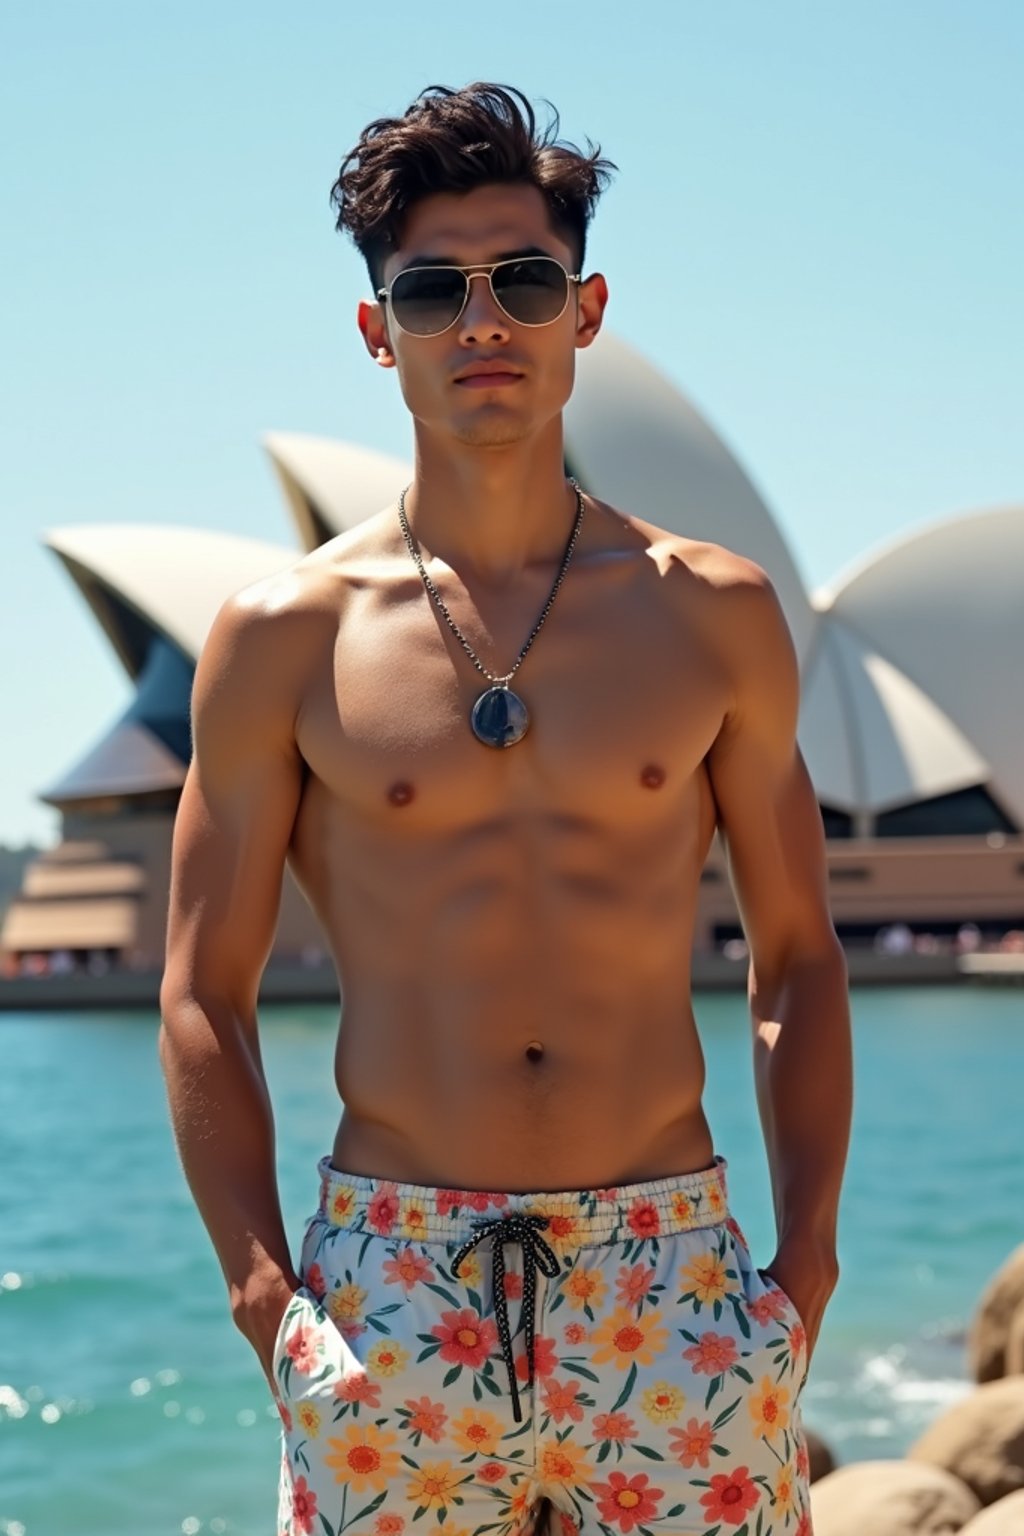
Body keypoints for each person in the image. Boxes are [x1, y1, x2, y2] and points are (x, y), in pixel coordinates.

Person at [159, 82, 852, 1536]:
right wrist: (266, 1294)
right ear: (378, 330)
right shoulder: (283, 635)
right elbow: (201, 991)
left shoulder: (713, 614)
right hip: (389, 1285)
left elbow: (797, 957)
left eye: (522, 280)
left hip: (671, 1275)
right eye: (433, 289)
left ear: (584, 313)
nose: (484, 321)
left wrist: (805, 1268)